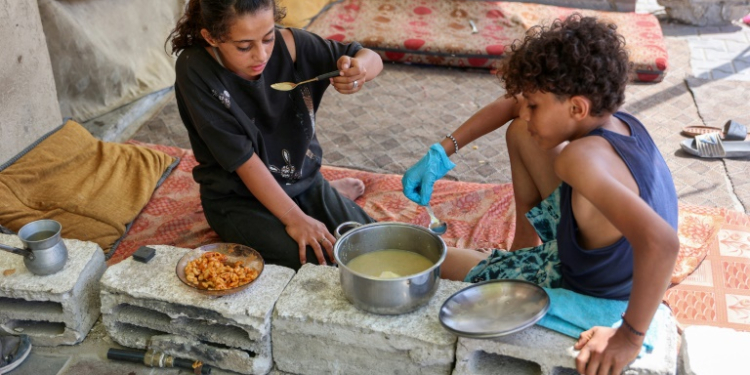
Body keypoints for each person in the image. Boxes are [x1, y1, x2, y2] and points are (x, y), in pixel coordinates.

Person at [402, 14, 679, 375]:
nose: (525, 110)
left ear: (577, 107)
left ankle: (520, 268)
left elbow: (663, 243)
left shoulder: (576, 159)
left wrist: (628, 336)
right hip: (615, 263)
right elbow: (513, 105)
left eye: (535, 105)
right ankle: (524, 241)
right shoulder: (620, 122)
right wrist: (442, 152)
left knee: (427, 255)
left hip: (599, 291)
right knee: (520, 131)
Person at [166, 0, 383, 270]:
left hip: (301, 180)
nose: (261, 55)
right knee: (322, 263)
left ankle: (321, 195)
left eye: (268, 38)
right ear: (211, 37)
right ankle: (310, 203)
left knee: (372, 244)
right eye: (244, 46)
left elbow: (367, 56)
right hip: (238, 199)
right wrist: (296, 219)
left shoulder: (290, 44)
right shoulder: (195, 69)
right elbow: (243, 160)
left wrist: (359, 69)